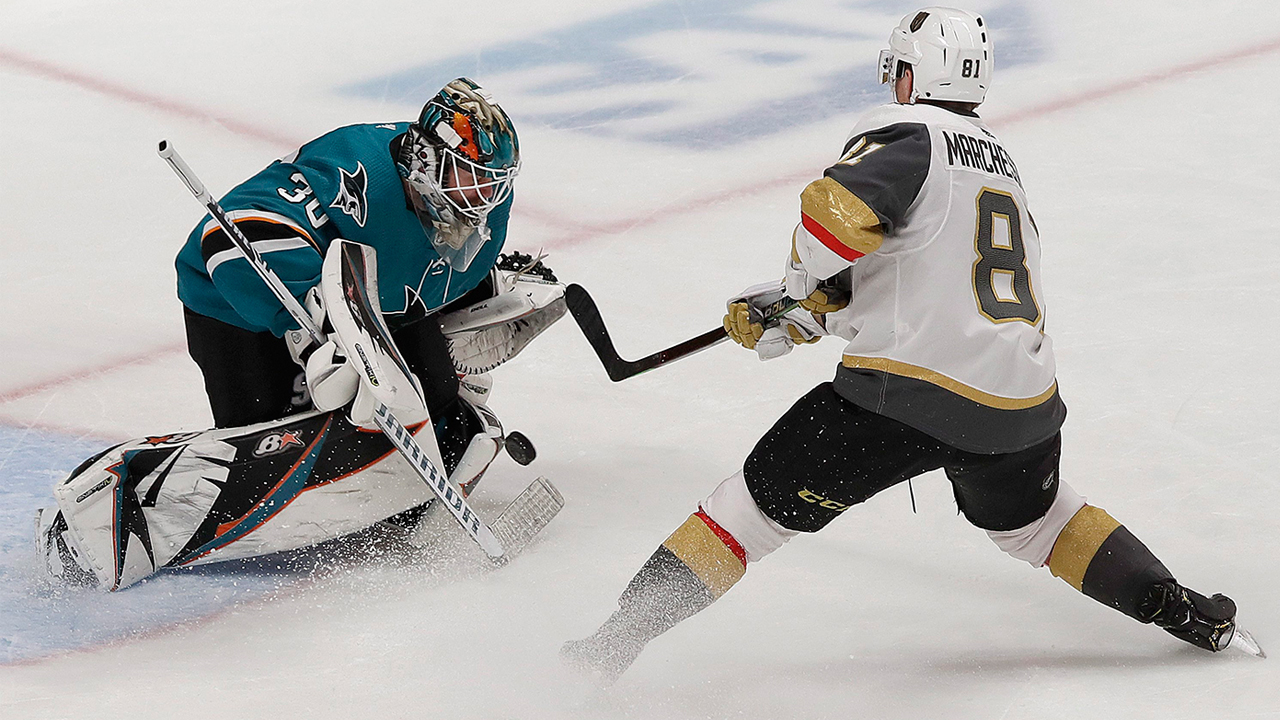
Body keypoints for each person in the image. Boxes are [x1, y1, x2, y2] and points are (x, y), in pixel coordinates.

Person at [561, 7, 1260, 682]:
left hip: (905, 398)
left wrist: (801, 284)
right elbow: (927, 281)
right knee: (1040, 526)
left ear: (912, 74)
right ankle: (1178, 607)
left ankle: (609, 647)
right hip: (1022, 410)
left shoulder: (910, 132)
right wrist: (808, 313)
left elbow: (834, 222)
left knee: (747, 513)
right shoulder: (1000, 167)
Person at [36, 78, 567, 590]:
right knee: (277, 449)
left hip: (371, 308)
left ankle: (400, 496)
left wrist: (484, 291)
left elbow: (432, 272)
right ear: (425, 160)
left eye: (494, 182)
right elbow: (229, 237)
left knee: (433, 399)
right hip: (241, 308)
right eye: (471, 178)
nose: (484, 197)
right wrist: (314, 330)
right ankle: (116, 502)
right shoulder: (356, 169)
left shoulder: (482, 213)